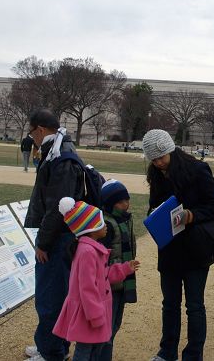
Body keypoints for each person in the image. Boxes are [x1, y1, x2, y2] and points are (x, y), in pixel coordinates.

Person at [142, 129, 214, 361]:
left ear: (171, 151)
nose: (158, 163)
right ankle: (167, 351)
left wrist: (190, 215)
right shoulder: (156, 174)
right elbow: (154, 204)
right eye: (154, 159)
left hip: (195, 246)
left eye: (161, 157)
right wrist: (153, 214)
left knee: (194, 305)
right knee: (169, 304)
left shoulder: (198, 170)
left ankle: (193, 355)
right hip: (168, 246)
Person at [24, 109, 85, 361]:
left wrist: (44, 243)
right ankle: (49, 344)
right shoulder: (59, 151)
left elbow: (58, 207)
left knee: (52, 296)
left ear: (39, 130)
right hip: (61, 236)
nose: (32, 139)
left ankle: (52, 351)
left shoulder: (62, 157)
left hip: (58, 239)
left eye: (32, 133)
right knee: (53, 294)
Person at [53, 197, 140, 361]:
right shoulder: (87, 252)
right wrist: (96, 316)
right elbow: (87, 288)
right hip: (89, 314)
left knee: (95, 349)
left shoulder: (91, 248)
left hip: (95, 311)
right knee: (84, 351)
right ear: (91, 228)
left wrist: (124, 268)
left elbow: (103, 275)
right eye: (101, 223)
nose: (105, 225)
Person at [98, 179, 137, 361]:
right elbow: (99, 260)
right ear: (110, 203)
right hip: (108, 286)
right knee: (106, 329)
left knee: (115, 325)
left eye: (127, 199)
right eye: (121, 201)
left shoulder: (125, 219)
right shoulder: (106, 225)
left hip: (122, 282)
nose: (126, 204)